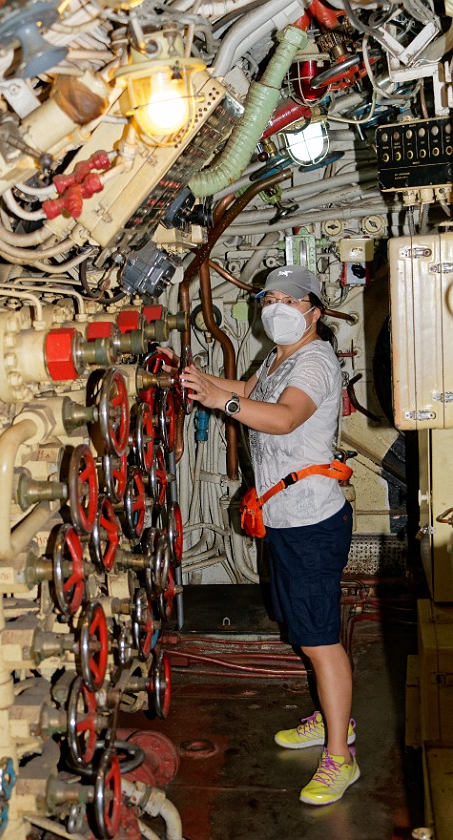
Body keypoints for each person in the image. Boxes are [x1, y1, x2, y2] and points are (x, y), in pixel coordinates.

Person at [178, 265, 358, 806]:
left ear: (314, 310)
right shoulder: (280, 355)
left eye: (289, 298)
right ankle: (334, 721)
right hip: (282, 517)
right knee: (304, 630)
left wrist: (221, 403)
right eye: (270, 297)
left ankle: (340, 757)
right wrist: (205, 385)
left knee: (320, 642)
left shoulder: (318, 361)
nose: (276, 305)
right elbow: (250, 390)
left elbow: (282, 419)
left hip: (311, 522)